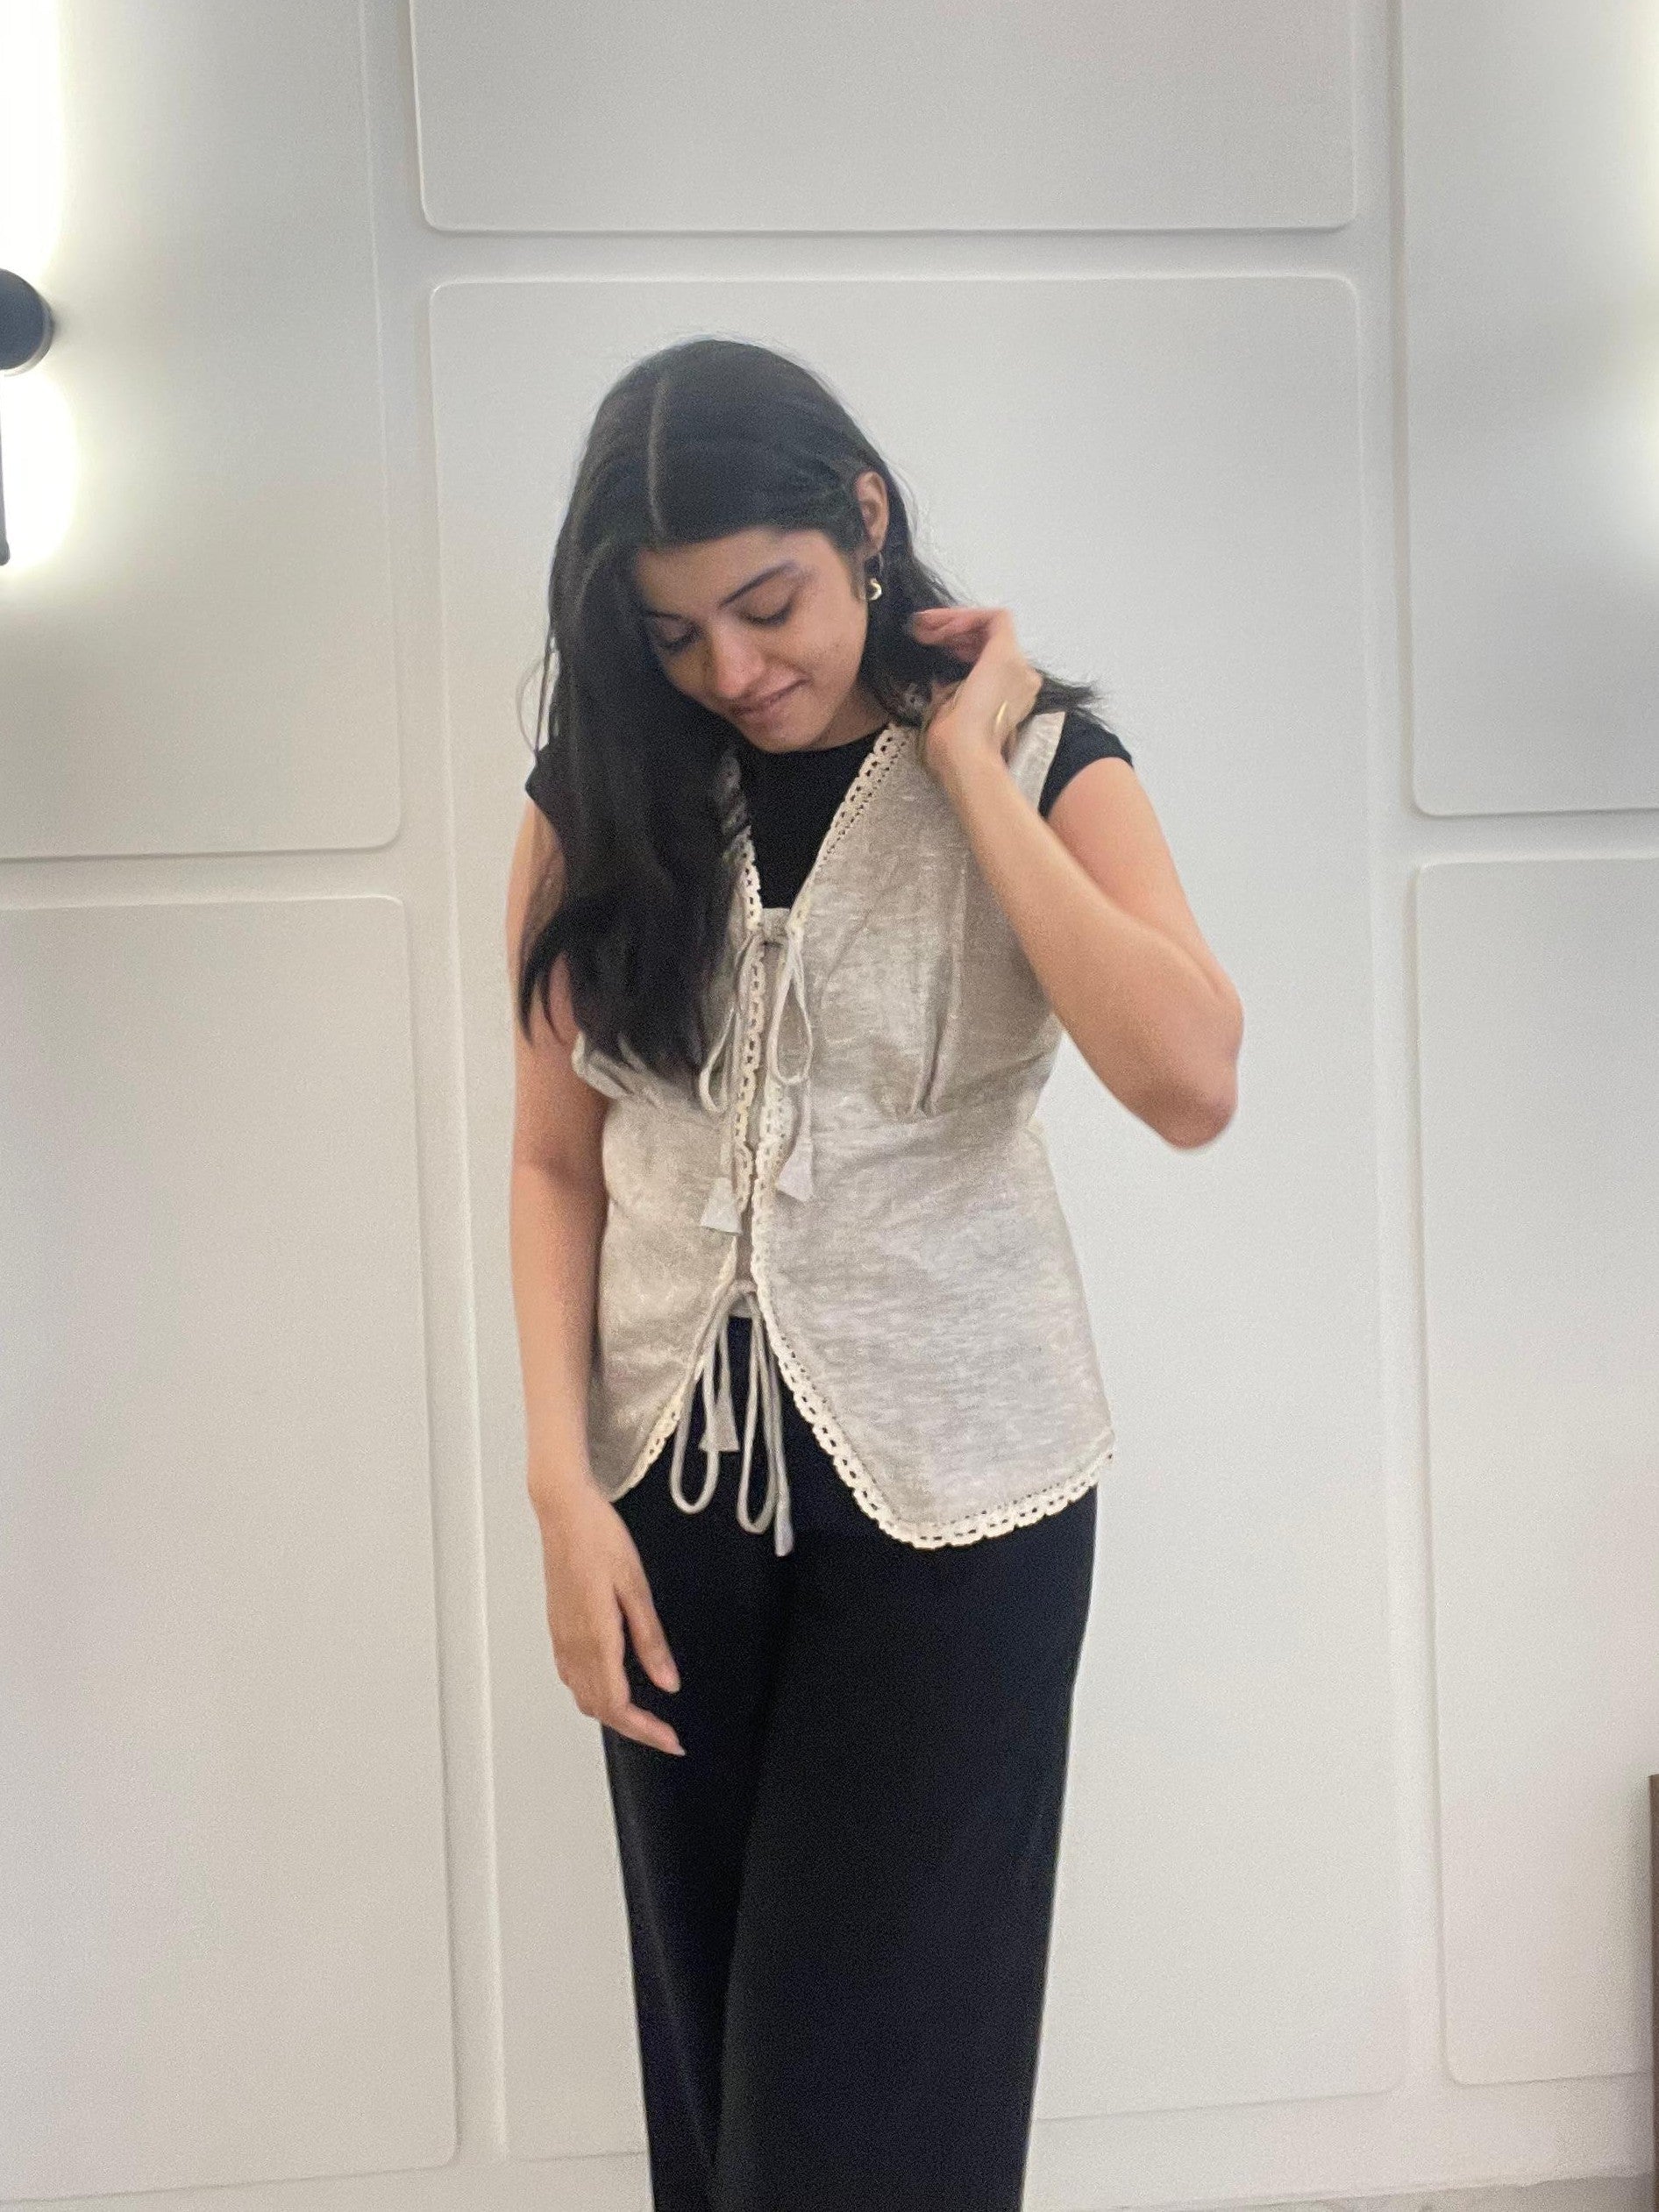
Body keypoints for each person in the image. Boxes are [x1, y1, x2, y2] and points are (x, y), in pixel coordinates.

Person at [506, 336, 1242, 2212]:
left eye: (767, 606)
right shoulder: (598, 787)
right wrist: (556, 1488)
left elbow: (1188, 1077)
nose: (733, 671)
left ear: (865, 516)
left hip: (961, 1509)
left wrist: (971, 763)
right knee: (722, 2096)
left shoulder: (1053, 758)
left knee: (873, 2121)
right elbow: (548, 1156)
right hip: (667, 1492)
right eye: (676, 634)